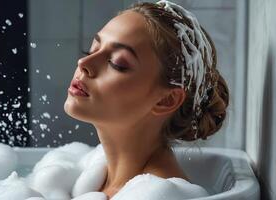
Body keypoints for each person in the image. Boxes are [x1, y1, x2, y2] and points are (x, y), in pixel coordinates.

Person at [64, 0, 229, 199]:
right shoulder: (95, 177)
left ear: (166, 100)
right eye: (93, 49)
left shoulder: (158, 195)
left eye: (117, 63)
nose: (84, 63)